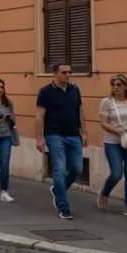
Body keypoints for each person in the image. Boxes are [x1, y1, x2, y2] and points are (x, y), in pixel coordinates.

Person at [36, 64, 87, 220]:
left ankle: (58, 190)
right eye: (64, 72)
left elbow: (80, 111)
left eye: (70, 72)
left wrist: (84, 132)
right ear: (55, 74)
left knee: (77, 169)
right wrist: (39, 138)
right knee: (59, 169)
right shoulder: (45, 92)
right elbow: (39, 116)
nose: (68, 75)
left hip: (73, 135)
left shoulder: (75, 90)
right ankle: (64, 207)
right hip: (54, 135)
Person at [98, 73, 127, 218]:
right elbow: (103, 123)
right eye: (113, 85)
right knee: (116, 173)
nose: (115, 87)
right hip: (113, 142)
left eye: (119, 85)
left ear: (125, 86)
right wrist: (118, 130)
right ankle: (104, 193)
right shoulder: (107, 102)